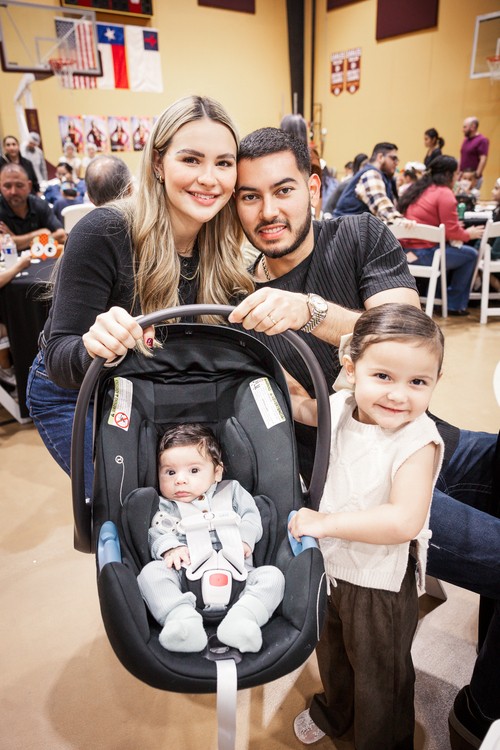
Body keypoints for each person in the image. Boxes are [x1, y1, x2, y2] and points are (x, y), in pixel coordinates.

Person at [227, 126, 498, 750]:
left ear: (313, 186)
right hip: (354, 482)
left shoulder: (358, 235)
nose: (268, 211)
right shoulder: (238, 297)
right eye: (249, 196)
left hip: (423, 442)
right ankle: (479, 713)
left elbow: (408, 337)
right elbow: (283, 409)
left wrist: (311, 312)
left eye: (283, 190)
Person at [26, 94, 253, 498]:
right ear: (158, 164)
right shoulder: (105, 232)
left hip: (149, 386)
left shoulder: (227, 248)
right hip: (77, 395)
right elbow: (60, 357)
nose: (209, 178)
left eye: (223, 163)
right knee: (127, 501)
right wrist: (96, 347)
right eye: (191, 159)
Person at [288, 303, 445, 749]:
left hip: (380, 583)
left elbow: (403, 520)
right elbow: (305, 409)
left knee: (381, 677)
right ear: (351, 369)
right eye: (383, 376)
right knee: (332, 652)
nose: (399, 396)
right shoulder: (342, 405)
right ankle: (335, 713)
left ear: (436, 381)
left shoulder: (417, 439)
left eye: (418, 382)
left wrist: (326, 522)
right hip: (331, 566)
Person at [137, 423, 285, 653]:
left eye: (194, 470)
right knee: (150, 574)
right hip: (186, 577)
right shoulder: (165, 506)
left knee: (273, 577)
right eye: (170, 472)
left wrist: (245, 539)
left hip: (239, 574)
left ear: (217, 472)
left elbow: (251, 516)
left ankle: (243, 619)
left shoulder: (232, 491)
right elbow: (157, 532)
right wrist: (171, 549)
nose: (180, 480)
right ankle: (182, 621)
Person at [398, 155, 483, 316]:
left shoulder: (417, 189)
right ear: (449, 174)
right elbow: (451, 231)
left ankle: (438, 298)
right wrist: (469, 234)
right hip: (425, 255)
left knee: (444, 249)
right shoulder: (444, 193)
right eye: (457, 173)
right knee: (471, 254)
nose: (458, 177)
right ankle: (453, 304)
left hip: (405, 253)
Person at [332, 141, 403, 223]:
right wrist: (400, 221)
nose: (396, 163)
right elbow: (382, 205)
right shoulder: (371, 174)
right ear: (380, 157)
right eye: (393, 158)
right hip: (346, 228)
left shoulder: (385, 178)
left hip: (352, 226)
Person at [0, 164, 66, 250]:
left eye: (19, 185)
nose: (13, 192)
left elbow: (61, 235)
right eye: (7, 186)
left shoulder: (40, 204)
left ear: (29, 186)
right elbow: (1, 245)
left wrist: (14, 240)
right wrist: (40, 234)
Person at [459, 117, 489, 189]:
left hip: (472, 178)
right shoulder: (466, 140)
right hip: (463, 176)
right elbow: (462, 156)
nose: (463, 130)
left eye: (465, 127)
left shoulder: (482, 140)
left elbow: (483, 159)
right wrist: (458, 172)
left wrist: (477, 175)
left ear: (473, 127)